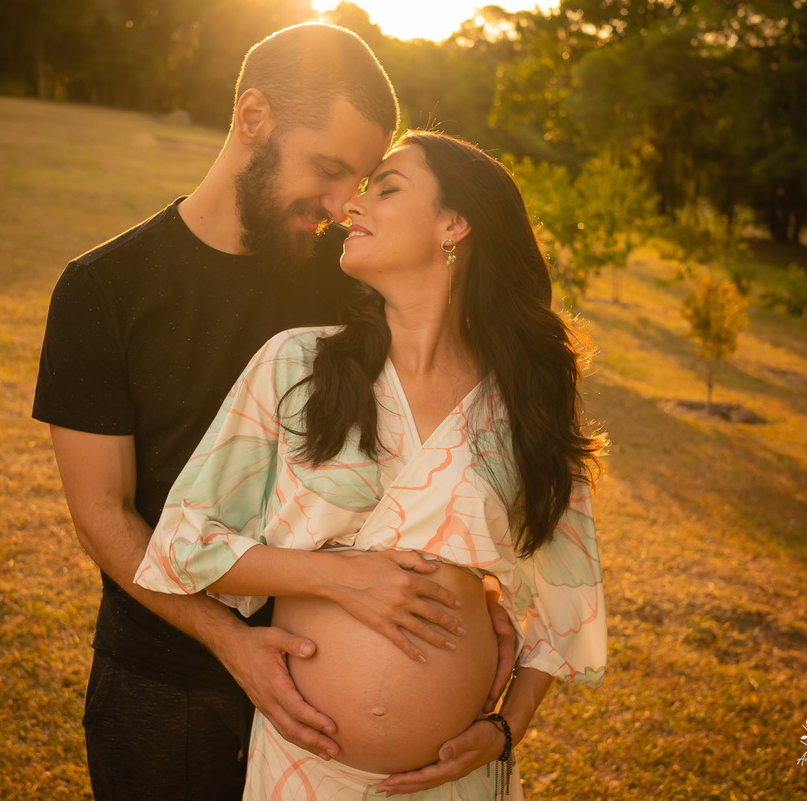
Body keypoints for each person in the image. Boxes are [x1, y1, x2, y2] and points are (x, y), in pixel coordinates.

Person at [34, 24, 512, 801]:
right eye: (327, 170)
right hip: (168, 683)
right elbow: (102, 515)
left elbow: (443, 421)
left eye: (357, 182)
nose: (338, 205)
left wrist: (481, 596)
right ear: (252, 117)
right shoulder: (102, 290)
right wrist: (231, 640)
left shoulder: (354, 275)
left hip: (330, 711)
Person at [134, 131, 609, 800]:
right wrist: (334, 577)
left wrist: (508, 728)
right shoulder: (296, 364)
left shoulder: (526, 402)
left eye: (385, 188)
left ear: (454, 223)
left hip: (460, 780)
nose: (353, 206)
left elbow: (567, 593)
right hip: (302, 770)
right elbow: (182, 544)